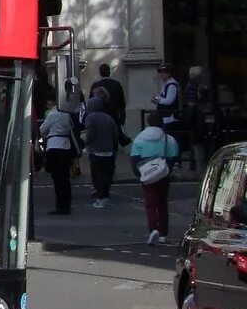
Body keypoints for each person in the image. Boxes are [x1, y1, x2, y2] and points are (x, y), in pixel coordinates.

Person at [130, 111, 180, 245]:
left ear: (148, 122)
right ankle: (163, 234)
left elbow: (134, 158)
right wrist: (168, 167)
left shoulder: (139, 139)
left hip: (147, 173)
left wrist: (138, 173)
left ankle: (153, 229)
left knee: (150, 203)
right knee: (162, 203)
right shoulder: (168, 139)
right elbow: (174, 155)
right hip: (163, 172)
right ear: (161, 122)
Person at [40, 96, 77, 214]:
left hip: (54, 145)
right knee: (65, 177)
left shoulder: (52, 114)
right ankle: (67, 204)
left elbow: (42, 129)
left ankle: (60, 206)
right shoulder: (67, 114)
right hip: (66, 146)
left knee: (57, 178)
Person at [83, 95, 119, 208]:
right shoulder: (108, 118)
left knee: (98, 175)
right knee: (107, 175)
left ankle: (100, 198)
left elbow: (90, 135)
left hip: (96, 150)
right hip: (109, 151)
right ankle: (106, 197)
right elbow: (115, 134)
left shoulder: (90, 118)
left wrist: (85, 141)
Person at [91, 64, 128, 142]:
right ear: (109, 72)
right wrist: (122, 119)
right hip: (114, 116)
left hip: (99, 119)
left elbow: (91, 104)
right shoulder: (117, 85)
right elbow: (122, 104)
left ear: (100, 73)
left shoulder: (96, 85)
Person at [184, 65, 209, 173]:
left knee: (197, 141)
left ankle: (195, 163)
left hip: (196, 116)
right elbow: (192, 103)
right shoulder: (192, 86)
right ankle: (196, 164)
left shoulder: (197, 85)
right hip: (196, 117)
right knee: (196, 141)